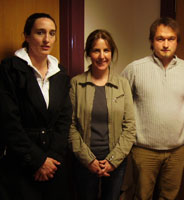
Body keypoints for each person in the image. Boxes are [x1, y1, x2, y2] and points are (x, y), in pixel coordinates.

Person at [121, 17, 184, 200]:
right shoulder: (134, 69)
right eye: (160, 39)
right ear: (151, 41)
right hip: (143, 151)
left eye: (171, 39)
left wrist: (182, 127)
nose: (165, 44)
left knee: (169, 196)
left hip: (176, 151)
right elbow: (121, 104)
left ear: (177, 41)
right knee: (141, 196)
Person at [0, 13, 72, 200]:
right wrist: (38, 161)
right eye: (40, 32)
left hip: (54, 164)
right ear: (27, 36)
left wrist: (51, 159)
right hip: (22, 162)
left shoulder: (60, 74)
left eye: (52, 33)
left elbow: (64, 120)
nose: (47, 39)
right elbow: (9, 121)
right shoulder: (10, 70)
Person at [68, 29, 136, 200]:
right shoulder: (76, 84)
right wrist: (88, 160)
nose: (101, 56)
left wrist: (113, 161)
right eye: (96, 50)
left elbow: (130, 126)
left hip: (115, 162)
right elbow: (70, 126)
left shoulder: (122, 84)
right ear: (89, 53)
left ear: (111, 53)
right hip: (84, 162)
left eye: (106, 50)